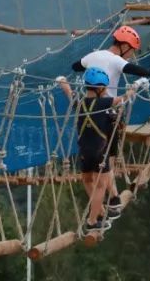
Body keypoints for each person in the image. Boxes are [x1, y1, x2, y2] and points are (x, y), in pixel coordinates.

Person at [71, 25, 150, 218]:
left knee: (95, 165)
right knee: (107, 161)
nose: (131, 55)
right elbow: (133, 69)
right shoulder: (116, 60)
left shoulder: (93, 56)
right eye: (132, 51)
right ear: (125, 46)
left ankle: (111, 200)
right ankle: (111, 202)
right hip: (108, 114)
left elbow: (76, 66)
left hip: (87, 113)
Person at [56, 67, 122, 232]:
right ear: (100, 89)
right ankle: (93, 220)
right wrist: (136, 87)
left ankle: (98, 212)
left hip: (84, 151)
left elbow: (68, 91)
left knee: (87, 180)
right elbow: (122, 99)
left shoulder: (79, 103)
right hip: (100, 152)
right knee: (101, 185)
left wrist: (62, 80)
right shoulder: (104, 103)